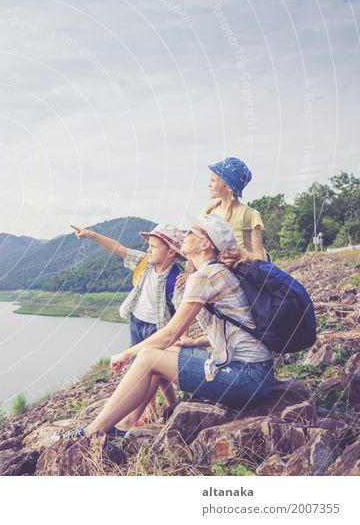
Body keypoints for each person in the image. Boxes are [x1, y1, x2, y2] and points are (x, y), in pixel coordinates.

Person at [54, 214, 275, 442]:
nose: (185, 235)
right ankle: (124, 424)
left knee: (148, 357)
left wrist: (128, 353)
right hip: (255, 373)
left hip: (246, 378)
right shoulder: (214, 272)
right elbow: (238, 329)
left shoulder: (206, 276)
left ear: (205, 244)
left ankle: (93, 431)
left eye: (191, 232)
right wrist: (196, 342)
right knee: (159, 355)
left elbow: (170, 334)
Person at [69, 222, 186, 433]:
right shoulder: (144, 262)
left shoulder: (176, 279)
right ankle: (163, 406)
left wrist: (182, 338)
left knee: (149, 371)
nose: (148, 249)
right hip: (136, 323)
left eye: (154, 246)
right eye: (148, 245)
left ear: (171, 252)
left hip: (157, 330)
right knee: (146, 370)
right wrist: (92, 235)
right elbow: (118, 248)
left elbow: (181, 313)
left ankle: (140, 414)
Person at [177, 157, 266, 290]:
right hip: (213, 275)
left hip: (239, 279)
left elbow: (260, 257)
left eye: (213, 180)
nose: (209, 185)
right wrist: (188, 272)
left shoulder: (250, 215)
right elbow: (196, 242)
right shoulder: (209, 212)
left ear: (228, 186)